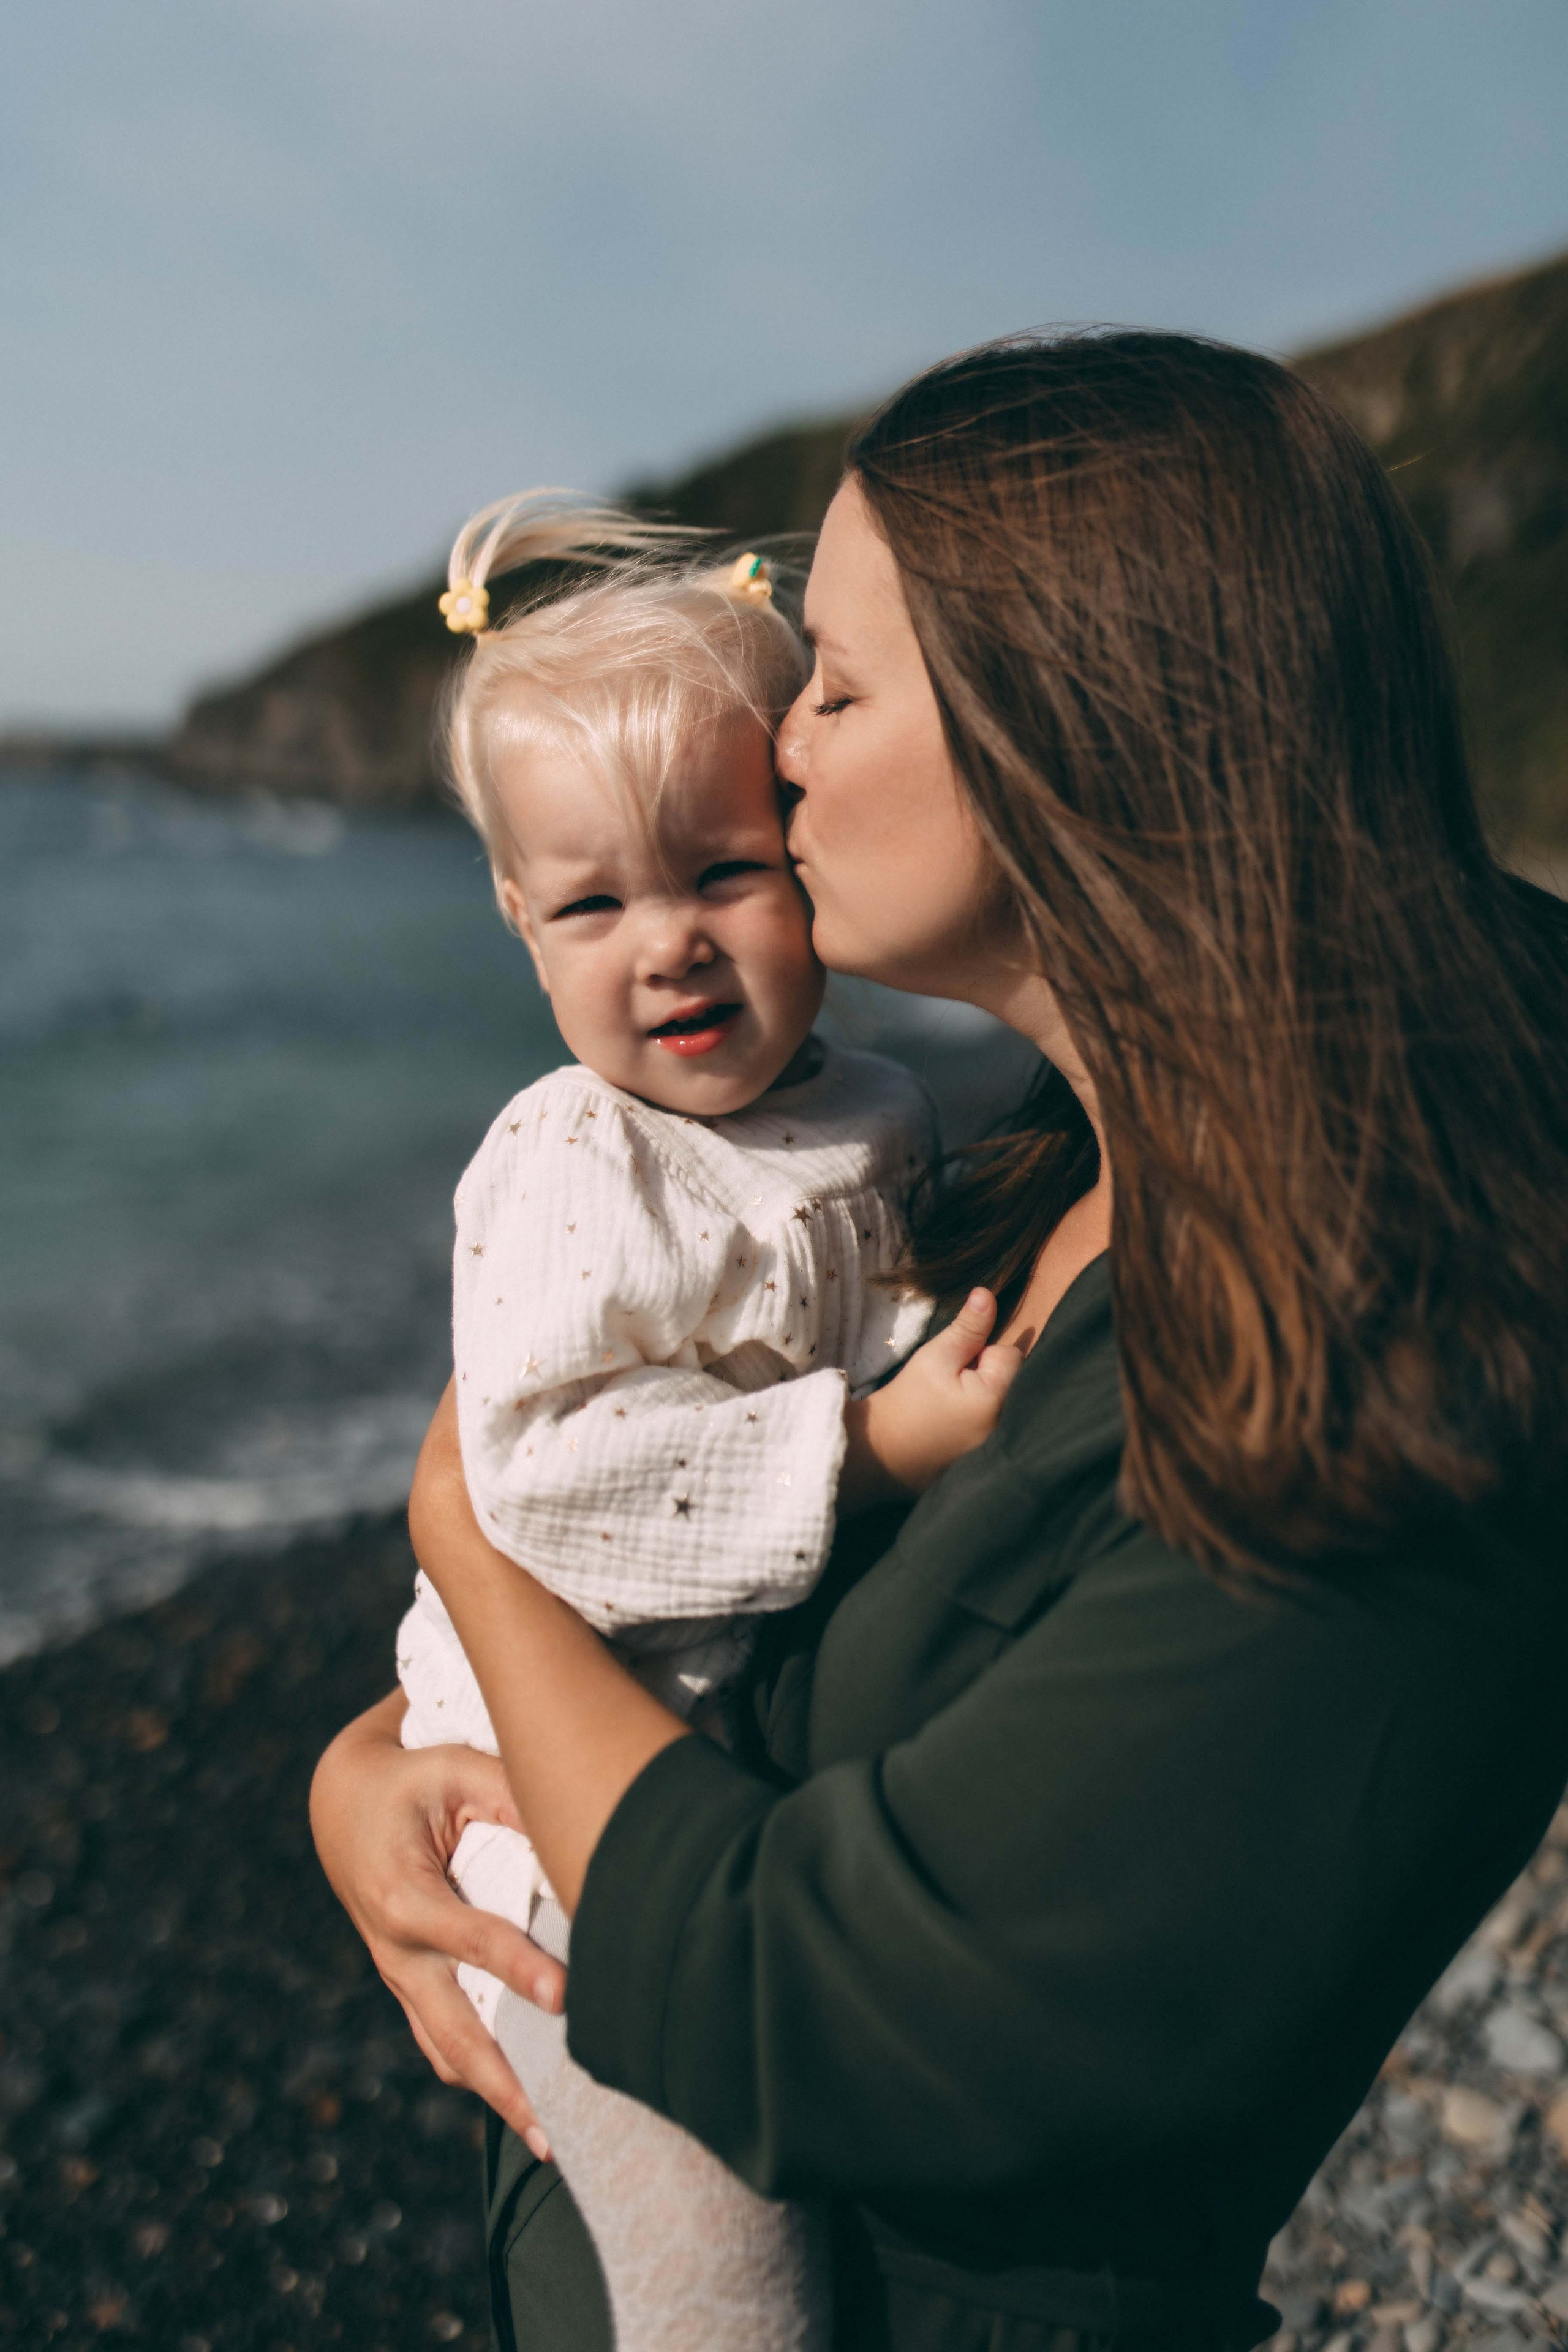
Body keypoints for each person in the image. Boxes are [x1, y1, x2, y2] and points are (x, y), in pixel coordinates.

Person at [312, 331, 1568, 2352]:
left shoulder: (1382, 1311)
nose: (777, 746)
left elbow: (832, 2002)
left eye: (835, 679)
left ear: (1065, 711)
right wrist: (377, 1763)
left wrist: (467, 1539)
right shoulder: (1051, 1149)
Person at [391, 492, 1022, 2351]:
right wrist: (873, 1446)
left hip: (721, 1748)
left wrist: (909, 1355)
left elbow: (879, 1297)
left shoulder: (881, 1107)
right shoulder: (578, 1161)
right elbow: (555, 1491)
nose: (663, 947)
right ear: (519, 919)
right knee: (715, 2236)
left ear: (801, 853)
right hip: (545, 1789)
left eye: (723, 875)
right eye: (593, 904)